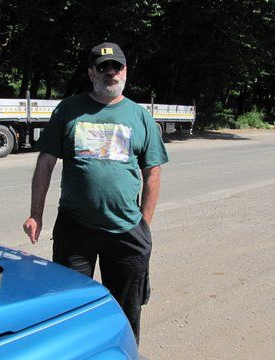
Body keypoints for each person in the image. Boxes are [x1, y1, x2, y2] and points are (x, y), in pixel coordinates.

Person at [23, 42, 169, 344]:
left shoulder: (140, 117)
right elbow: (45, 162)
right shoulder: (69, 110)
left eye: (116, 66)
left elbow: (152, 172)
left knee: (126, 311)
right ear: (91, 73)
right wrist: (36, 213)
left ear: (125, 71)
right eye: (103, 67)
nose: (110, 72)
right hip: (75, 228)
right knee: (70, 306)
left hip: (126, 229)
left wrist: (145, 224)